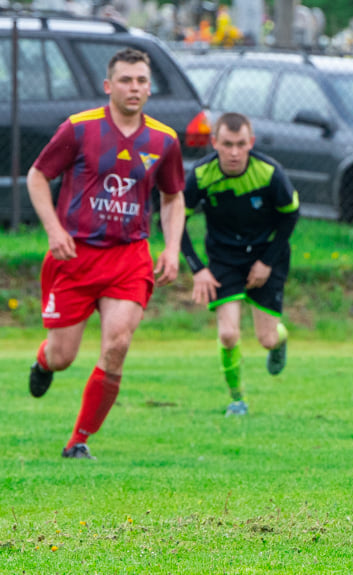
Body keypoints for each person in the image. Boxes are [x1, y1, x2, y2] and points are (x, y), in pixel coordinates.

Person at [27, 48, 186, 460]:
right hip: (75, 256)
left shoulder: (163, 140)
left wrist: (170, 248)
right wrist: (53, 229)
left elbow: (172, 197)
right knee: (63, 356)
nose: (134, 88)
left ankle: (78, 441)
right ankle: (44, 362)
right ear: (108, 86)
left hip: (129, 257)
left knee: (117, 343)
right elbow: (38, 176)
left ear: (149, 87)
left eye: (141, 81)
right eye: (126, 80)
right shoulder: (78, 130)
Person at [180, 112, 299, 417]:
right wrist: (198, 268)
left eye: (241, 144)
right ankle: (237, 400)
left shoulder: (269, 173)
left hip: (266, 256)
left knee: (266, 339)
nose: (234, 152)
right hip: (223, 259)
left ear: (251, 143)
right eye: (227, 144)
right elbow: (174, 221)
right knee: (229, 334)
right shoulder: (201, 175)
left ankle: (280, 341)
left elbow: (290, 217)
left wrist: (266, 262)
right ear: (214, 143)